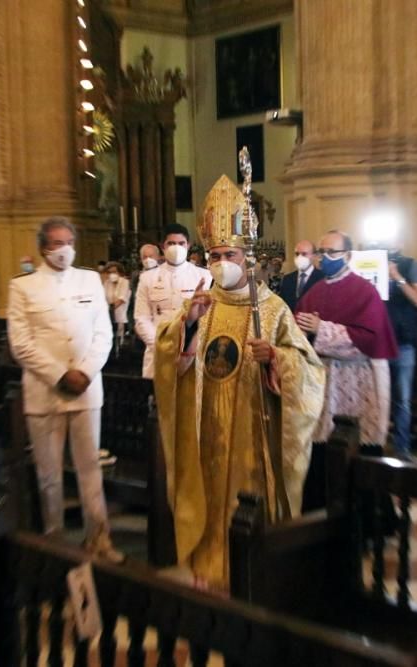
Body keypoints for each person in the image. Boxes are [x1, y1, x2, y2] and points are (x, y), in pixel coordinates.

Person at [154, 175, 325, 590]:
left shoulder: (273, 307)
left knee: (247, 502)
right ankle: (209, 566)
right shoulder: (200, 305)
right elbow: (167, 360)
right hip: (207, 430)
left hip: (253, 430)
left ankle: (252, 572)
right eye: (212, 255)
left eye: (228, 253)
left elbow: (310, 368)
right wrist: (188, 327)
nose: (219, 263)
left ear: (247, 257)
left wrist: (277, 359)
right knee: (210, 500)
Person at [7, 217, 120, 560]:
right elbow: (21, 343)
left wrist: (84, 372)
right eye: (56, 243)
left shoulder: (88, 279)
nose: (64, 249)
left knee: (90, 472)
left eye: (68, 241)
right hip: (45, 393)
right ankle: (54, 541)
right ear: (43, 247)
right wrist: (60, 374)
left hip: (86, 391)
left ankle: (99, 539)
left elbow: (104, 332)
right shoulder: (23, 287)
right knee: (49, 475)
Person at [297, 231, 398, 447]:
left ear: (349, 256)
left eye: (332, 252)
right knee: (321, 447)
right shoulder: (314, 291)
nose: (325, 257)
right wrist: (303, 331)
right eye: (322, 252)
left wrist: (321, 329)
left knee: (350, 444)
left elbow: (369, 340)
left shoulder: (365, 291)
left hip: (355, 379)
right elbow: (298, 331)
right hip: (320, 378)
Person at [134, 223, 211, 379]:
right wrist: (160, 346)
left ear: (188, 245)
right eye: (171, 243)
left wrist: (187, 345)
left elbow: (207, 317)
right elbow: (141, 318)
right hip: (157, 351)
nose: (176, 248)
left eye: (181, 243)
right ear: (163, 246)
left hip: (191, 351)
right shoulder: (148, 278)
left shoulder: (204, 276)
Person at [385, 250, 417, 459]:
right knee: (379, 396)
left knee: (402, 398)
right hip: (379, 341)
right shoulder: (372, 262)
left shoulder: (411, 264)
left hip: (403, 342)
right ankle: (374, 444)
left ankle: (402, 448)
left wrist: (397, 278)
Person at [279, 240, 324, 312]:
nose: (299, 257)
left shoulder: (322, 278)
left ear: (314, 256)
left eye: (304, 254)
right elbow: (282, 305)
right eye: (297, 254)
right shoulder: (288, 279)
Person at [103, 261, 131, 344]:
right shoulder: (107, 283)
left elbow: (121, 299)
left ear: (119, 272)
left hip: (121, 317)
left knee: (119, 341)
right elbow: (103, 297)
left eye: (114, 272)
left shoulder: (124, 282)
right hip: (108, 317)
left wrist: (109, 309)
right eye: (109, 272)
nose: (112, 274)